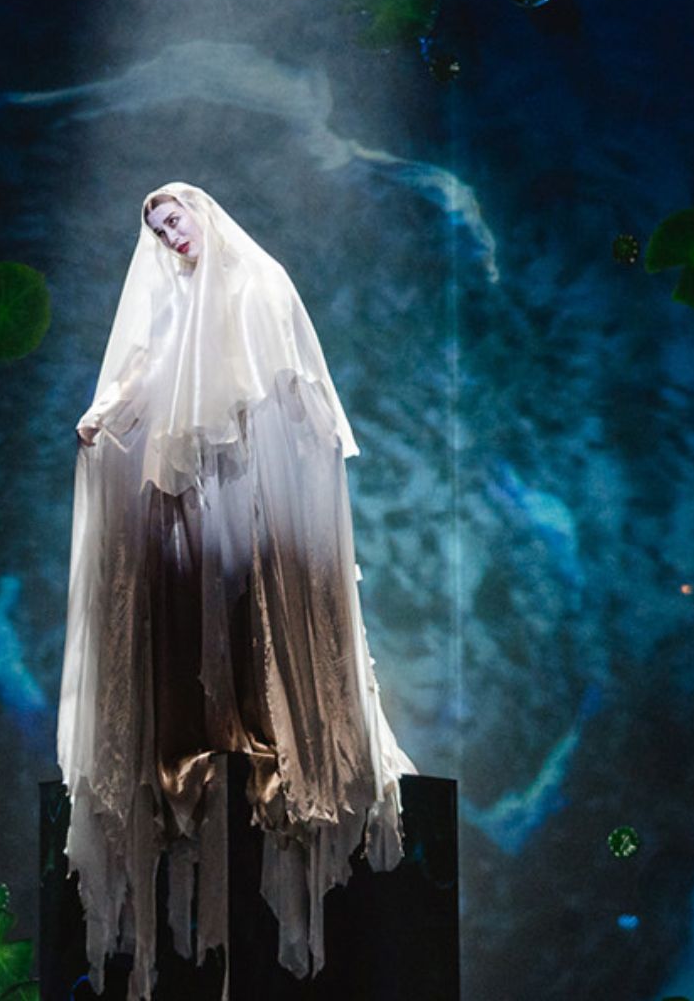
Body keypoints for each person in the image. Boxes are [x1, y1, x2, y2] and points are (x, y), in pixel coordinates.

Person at [57, 181, 415, 1000]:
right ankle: (193, 730)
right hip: (192, 493)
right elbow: (144, 375)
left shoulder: (257, 281)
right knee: (188, 597)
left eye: (173, 214)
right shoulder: (171, 305)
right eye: (153, 223)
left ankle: (272, 730)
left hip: (251, 483)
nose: (167, 229)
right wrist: (103, 414)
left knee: (254, 604)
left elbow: (289, 378)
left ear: (203, 213)